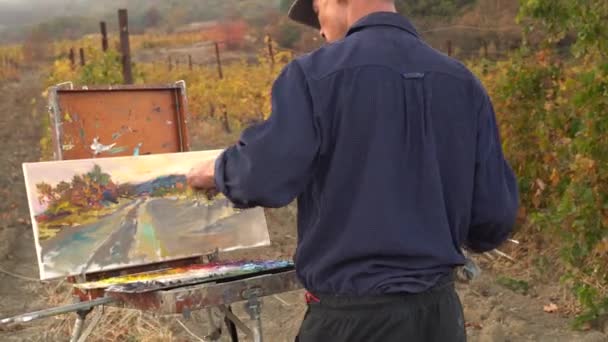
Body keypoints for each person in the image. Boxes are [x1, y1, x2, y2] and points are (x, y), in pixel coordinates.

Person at [187, 0, 519, 340]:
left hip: (352, 322)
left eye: (317, 13)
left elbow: (262, 177)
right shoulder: (463, 83)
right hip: (439, 319)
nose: (320, 30)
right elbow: (493, 220)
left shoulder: (313, 76)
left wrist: (216, 171)